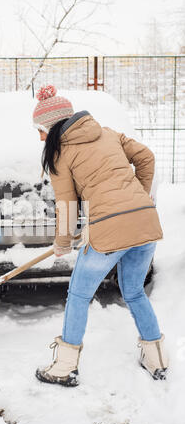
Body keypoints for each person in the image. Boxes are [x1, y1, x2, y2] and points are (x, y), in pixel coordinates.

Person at [32, 84, 169, 387]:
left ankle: (64, 367)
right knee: (133, 292)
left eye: (41, 130)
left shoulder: (59, 154)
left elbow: (66, 203)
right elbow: (146, 157)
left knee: (79, 295)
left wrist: (63, 242)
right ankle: (157, 358)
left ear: (52, 127)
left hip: (108, 232)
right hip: (145, 223)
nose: (40, 137)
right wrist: (137, 200)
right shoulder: (108, 133)